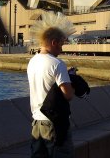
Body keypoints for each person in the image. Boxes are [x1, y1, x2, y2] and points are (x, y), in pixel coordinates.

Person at [27, 11, 77, 157]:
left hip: (37, 122)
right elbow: (68, 95)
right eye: (61, 44)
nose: (62, 48)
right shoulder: (57, 63)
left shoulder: (33, 61)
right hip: (55, 123)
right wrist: (71, 79)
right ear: (54, 42)